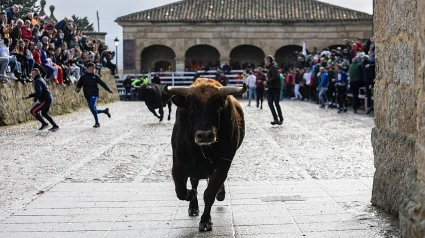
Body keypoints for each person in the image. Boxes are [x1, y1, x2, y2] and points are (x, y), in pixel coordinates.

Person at [76, 62, 113, 128]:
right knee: (93, 109)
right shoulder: (83, 77)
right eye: (93, 67)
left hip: (94, 94)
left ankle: (97, 123)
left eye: (94, 68)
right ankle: (104, 111)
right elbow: (79, 84)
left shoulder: (95, 76)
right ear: (89, 68)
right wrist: (78, 89)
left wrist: (108, 89)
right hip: (87, 95)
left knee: (91, 106)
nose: (94, 69)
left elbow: (102, 83)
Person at [264, 55, 283, 125]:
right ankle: (275, 119)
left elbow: (276, 77)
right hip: (270, 88)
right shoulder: (269, 68)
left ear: (268, 61)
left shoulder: (273, 67)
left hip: (276, 88)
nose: (264, 62)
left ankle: (280, 118)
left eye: (265, 60)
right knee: (270, 103)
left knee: (276, 104)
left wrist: (267, 81)